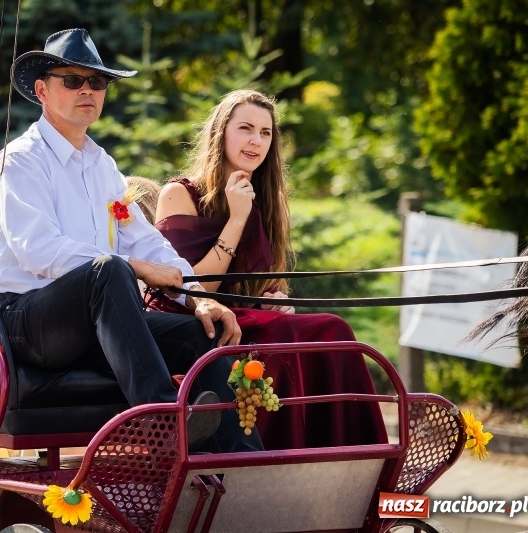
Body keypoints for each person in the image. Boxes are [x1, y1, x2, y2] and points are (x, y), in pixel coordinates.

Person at [0, 28, 260, 453]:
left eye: (97, 82)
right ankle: (164, 425)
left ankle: (242, 468)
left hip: (93, 321)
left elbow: (145, 243)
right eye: (72, 80)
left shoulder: (101, 164)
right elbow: (39, 251)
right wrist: (133, 268)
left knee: (205, 333)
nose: (87, 90)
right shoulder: (19, 160)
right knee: (110, 269)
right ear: (42, 91)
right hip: (23, 324)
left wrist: (198, 297)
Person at [153, 89, 387, 449]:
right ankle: (273, 456)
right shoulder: (179, 193)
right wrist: (236, 217)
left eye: (265, 133)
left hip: (250, 317)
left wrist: (277, 297)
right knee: (278, 335)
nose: (255, 141)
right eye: (245, 128)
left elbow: (269, 281)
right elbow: (192, 288)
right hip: (192, 318)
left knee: (334, 329)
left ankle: (352, 454)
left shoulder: (271, 198)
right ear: (221, 133)